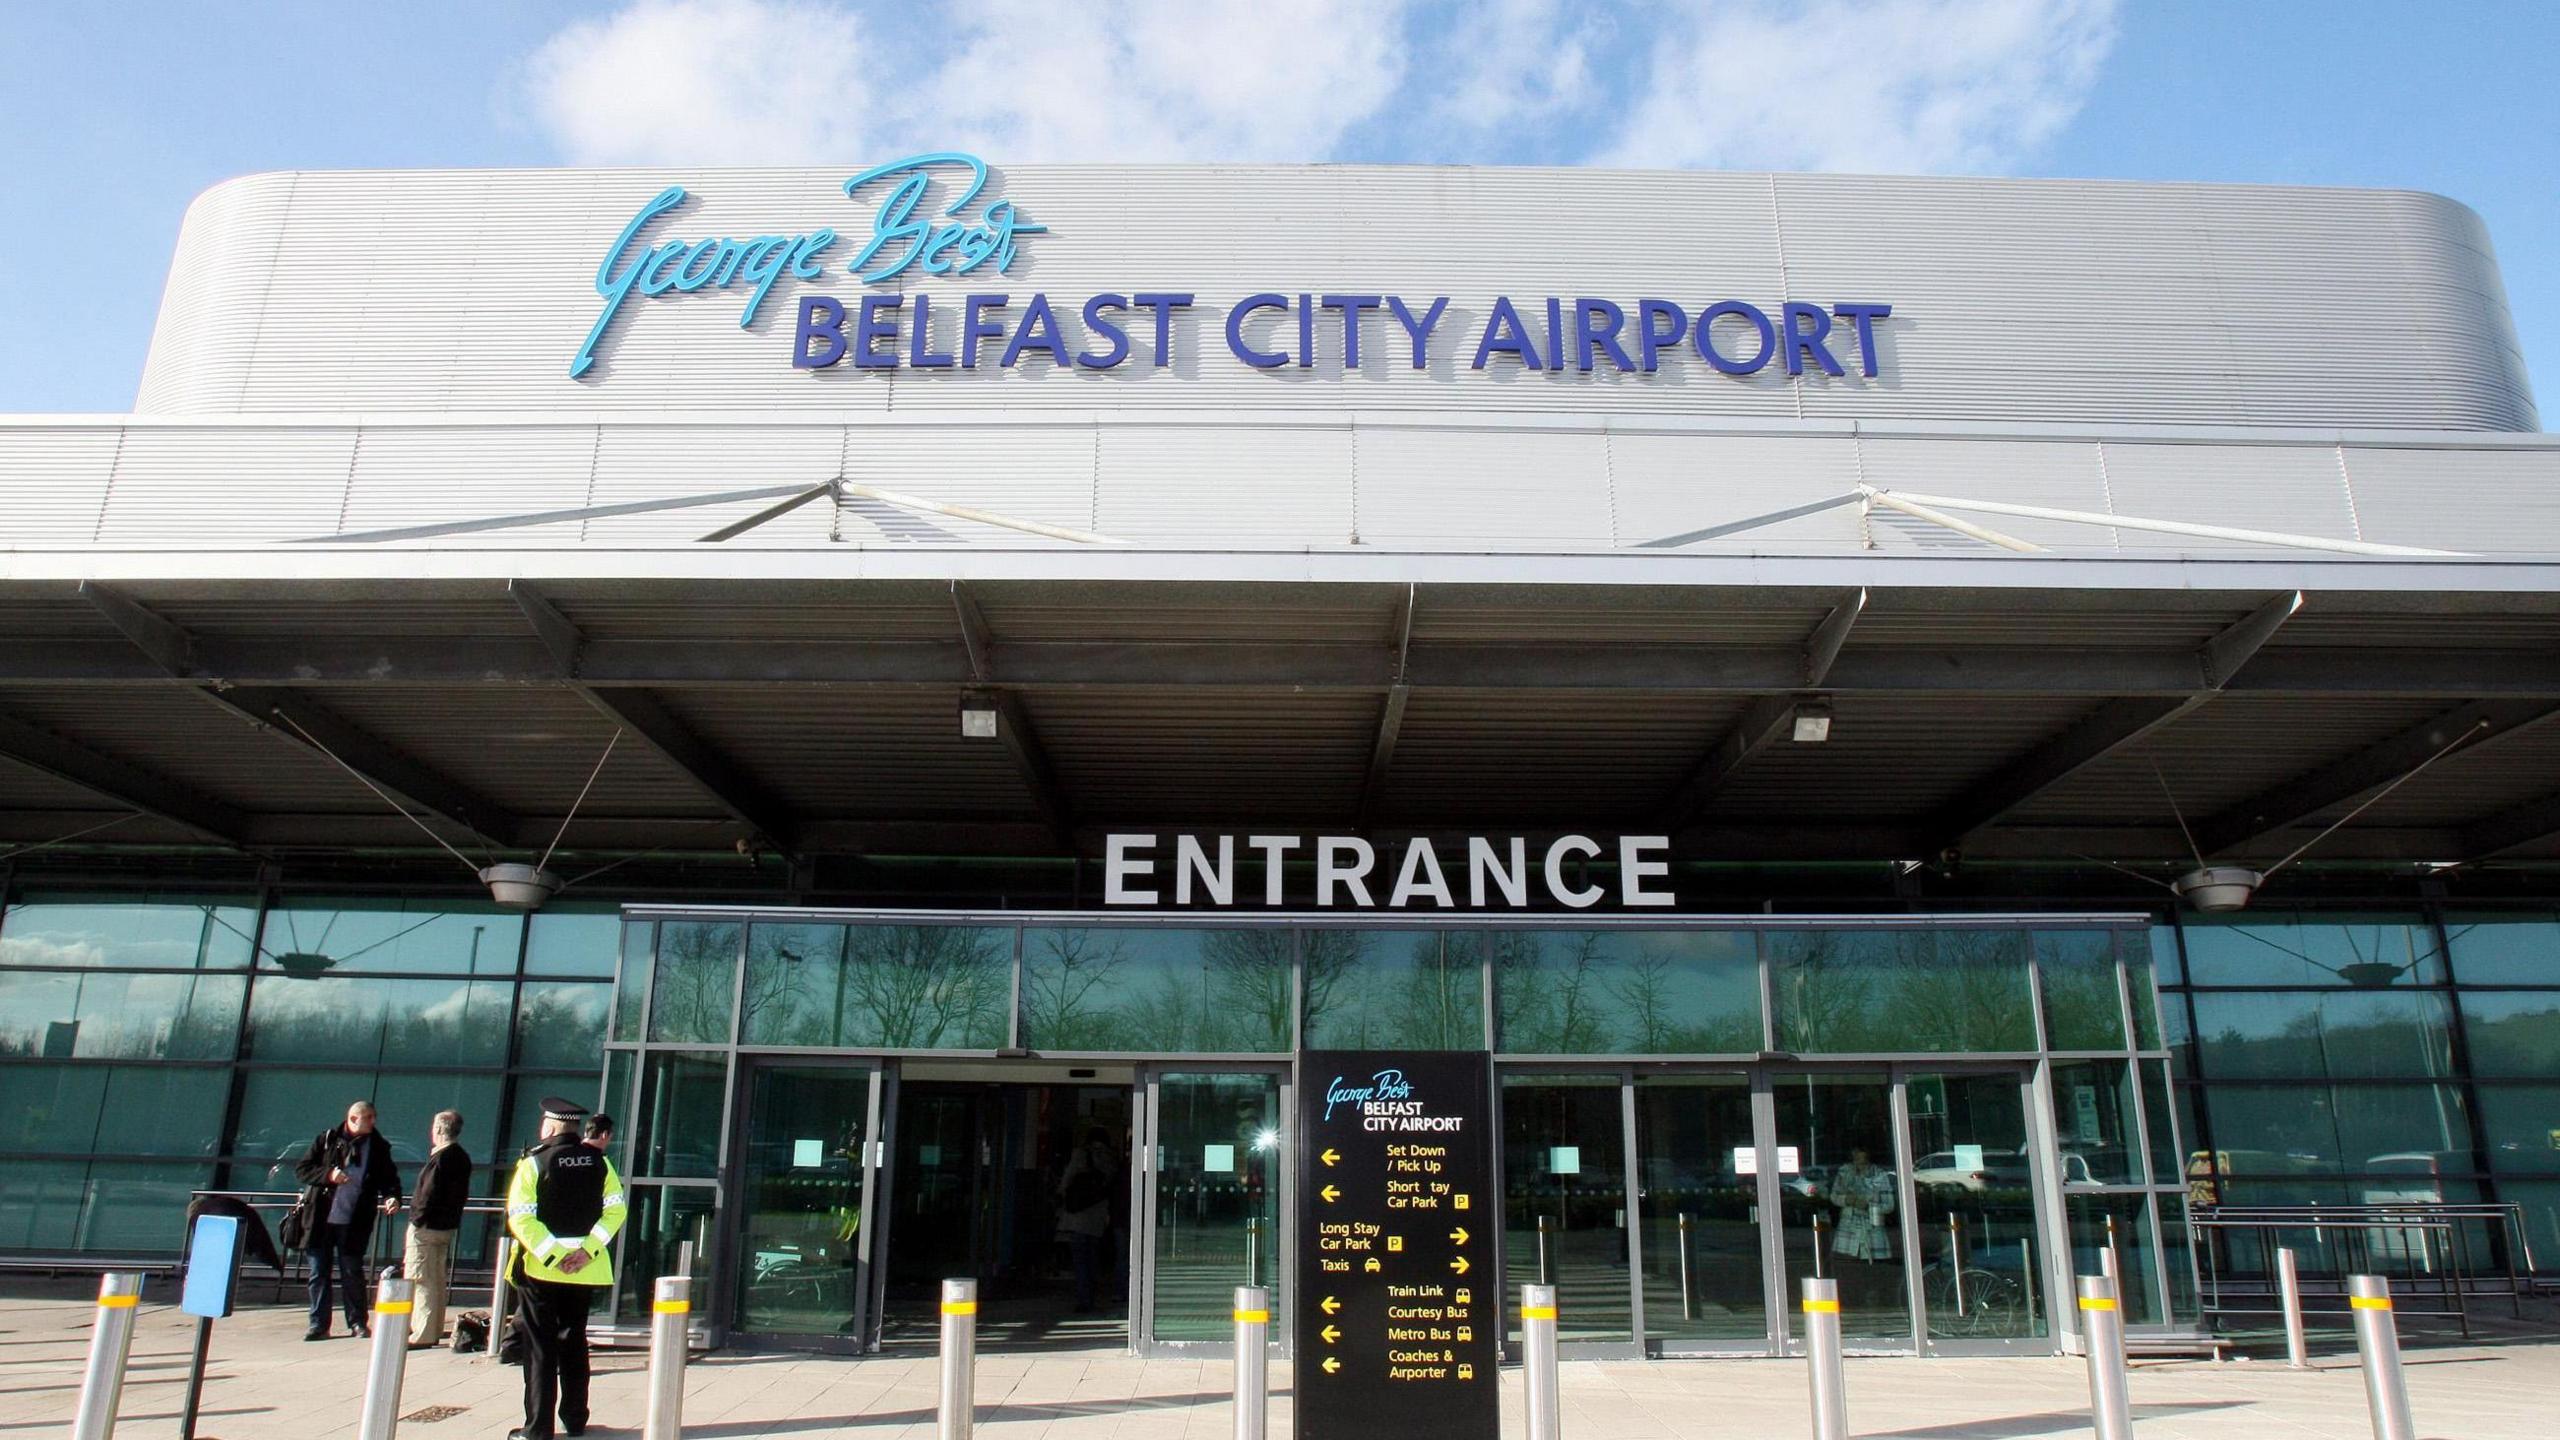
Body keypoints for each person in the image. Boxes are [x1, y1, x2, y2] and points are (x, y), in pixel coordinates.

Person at [506, 1097, 628, 1440]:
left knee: (540, 1349)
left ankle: (537, 1428)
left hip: (542, 1271)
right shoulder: (600, 1163)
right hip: (585, 1271)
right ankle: (575, 1418)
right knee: (575, 1343)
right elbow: (616, 1212)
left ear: (550, 1126)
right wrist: (587, 1251)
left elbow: (521, 1217)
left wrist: (553, 1255)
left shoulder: (534, 1163)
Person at [293, 1099, 402, 1341]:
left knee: (352, 1271)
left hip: (354, 1219)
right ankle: (318, 1324)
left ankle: (357, 1322)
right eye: (369, 1117)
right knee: (318, 1271)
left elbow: (389, 1177)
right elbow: (302, 1169)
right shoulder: (328, 1140)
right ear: (353, 1119)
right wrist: (328, 1174)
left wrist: (392, 1196)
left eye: (374, 1117)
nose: (373, 1121)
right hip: (321, 1218)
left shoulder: (378, 1146)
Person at [399, 1109, 473, 1349]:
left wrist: (417, 1220)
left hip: (428, 1227)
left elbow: (427, 1195)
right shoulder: (461, 1157)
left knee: (423, 1280)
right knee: (437, 1278)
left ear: (440, 1130)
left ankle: (423, 1332)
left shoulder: (441, 1159)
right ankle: (434, 1326)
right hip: (446, 1225)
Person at [1054, 1127, 1117, 1314]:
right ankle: (1091, 1295)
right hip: (1098, 1216)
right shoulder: (1110, 1158)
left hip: (1079, 1214)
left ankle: (1084, 1299)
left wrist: (1060, 1193)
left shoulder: (1081, 1154)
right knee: (1092, 1259)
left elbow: (1067, 1179)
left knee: (1080, 1261)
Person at [1824, 1146, 1898, 1266]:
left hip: (1872, 1231)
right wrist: (1847, 1200)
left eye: (1862, 1161)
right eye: (1855, 1159)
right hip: (1847, 1232)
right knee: (1847, 1267)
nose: (1858, 1165)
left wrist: (1869, 1206)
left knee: (1876, 1268)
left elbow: (1889, 1205)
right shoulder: (1844, 1172)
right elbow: (1834, 1196)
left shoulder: (1880, 1175)